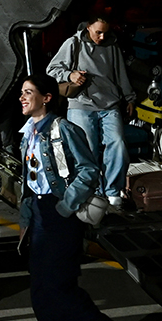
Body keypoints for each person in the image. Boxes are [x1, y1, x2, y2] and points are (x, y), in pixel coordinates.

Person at [18, 74, 131, 321]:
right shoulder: (27, 133)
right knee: (42, 296)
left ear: (48, 97)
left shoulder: (63, 129)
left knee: (60, 290)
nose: (22, 98)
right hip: (40, 217)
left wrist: (67, 205)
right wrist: (26, 218)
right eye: (22, 93)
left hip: (61, 216)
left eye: (29, 93)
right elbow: (30, 182)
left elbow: (88, 169)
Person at [45, 16, 136, 209]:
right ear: (88, 27)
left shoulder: (112, 46)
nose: (102, 37)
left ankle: (112, 192)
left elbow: (120, 73)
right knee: (88, 151)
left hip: (109, 105)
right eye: (98, 32)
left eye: (105, 32)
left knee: (118, 145)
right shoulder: (73, 43)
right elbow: (51, 70)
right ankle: (92, 192)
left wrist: (129, 98)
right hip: (81, 105)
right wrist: (70, 74)